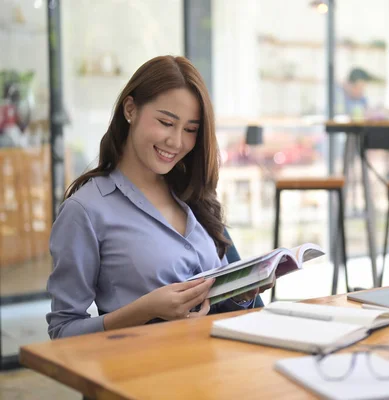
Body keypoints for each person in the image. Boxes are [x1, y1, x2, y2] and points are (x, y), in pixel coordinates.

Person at [46, 56, 269, 339]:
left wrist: (242, 293)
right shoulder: (85, 210)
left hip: (214, 369)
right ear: (130, 109)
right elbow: (62, 332)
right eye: (166, 122)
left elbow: (218, 306)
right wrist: (144, 310)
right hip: (143, 374)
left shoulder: (194, 197)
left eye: (190, 130)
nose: (176, 142)